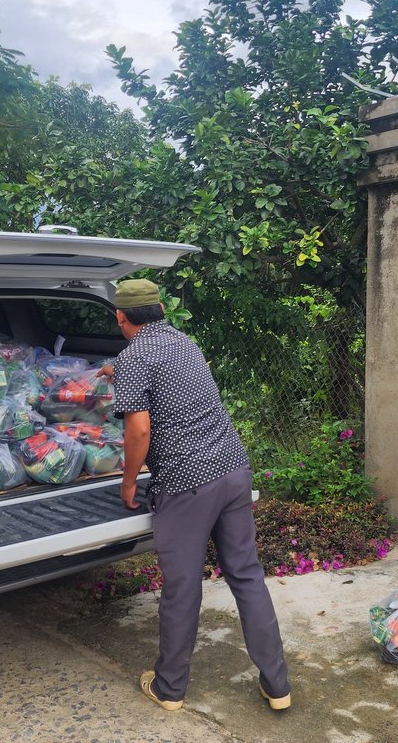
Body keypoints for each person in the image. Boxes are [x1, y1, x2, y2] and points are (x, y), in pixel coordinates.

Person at [108, 278, 291, 712]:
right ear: (160, 310)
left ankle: (170, 688)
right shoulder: (184, 343)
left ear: (120, 316)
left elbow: (139, 430)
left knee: (183, 586)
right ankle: (278, 686)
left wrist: (130, 481)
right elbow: (166, 380)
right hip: (232, 469)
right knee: (246, 574)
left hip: (187, 484)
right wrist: (117, 373)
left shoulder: (134, 357)